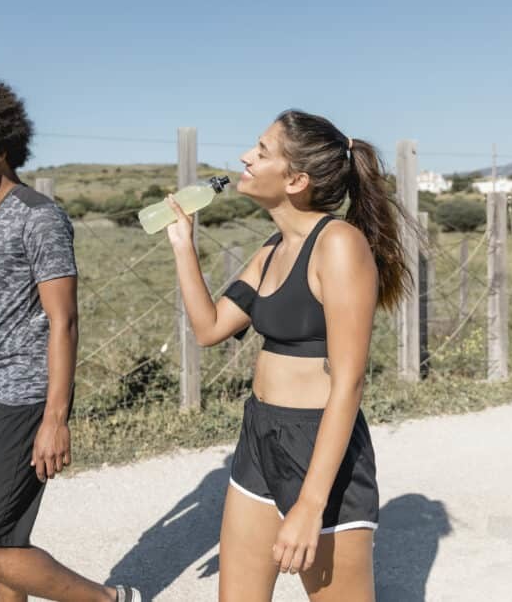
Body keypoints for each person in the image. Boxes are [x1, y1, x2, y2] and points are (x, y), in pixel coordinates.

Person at [164, 110, 411, 601]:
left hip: (319, 445)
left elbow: (349, 383)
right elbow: (209, 328)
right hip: (260, 435)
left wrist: (309, 504)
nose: (245, 157)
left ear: (295, 180)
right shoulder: (272, 249)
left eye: (261, 150)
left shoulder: (339, 245)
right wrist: (182, 246)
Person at [0, 74, 141, 602]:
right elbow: (1, 321)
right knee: (6, 542)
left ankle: (111, 601)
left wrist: (54, 419)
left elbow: (63, 321)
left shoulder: (39, 218)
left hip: (29, 400)